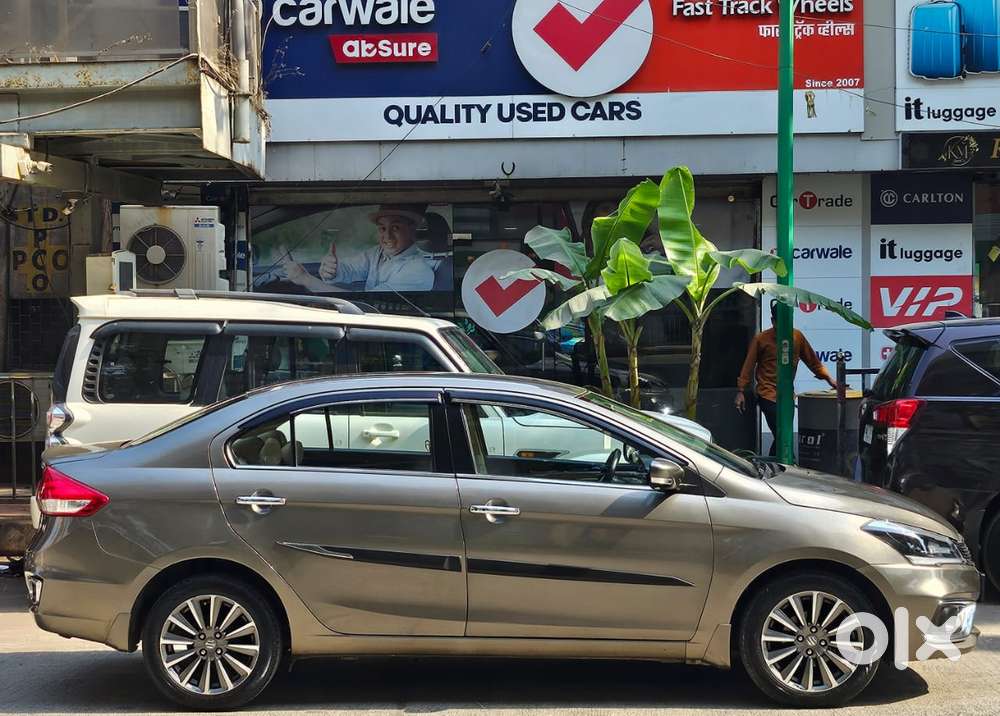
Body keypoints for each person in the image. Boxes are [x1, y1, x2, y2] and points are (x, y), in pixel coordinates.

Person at [736, 301, 840, 456]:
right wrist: (741, 391)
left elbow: (813, 362)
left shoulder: (797, 337)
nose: (784, 328)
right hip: (767, 394)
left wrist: (829, 379)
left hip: (787, 396)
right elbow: (748, 366)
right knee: (782, 434)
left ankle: (776, 467)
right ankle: (785, 466)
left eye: (788, 322)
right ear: (773, 321)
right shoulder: (761, 339)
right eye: (780, 323)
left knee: (783, 436)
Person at [284, 204, 435, 292]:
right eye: (382, 228)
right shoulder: (377, 253)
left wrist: (307, 280)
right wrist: (332, 270)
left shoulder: (418, 271)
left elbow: (366, 305)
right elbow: (351, 268)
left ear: (412, 230)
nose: (387, 236)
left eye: (395, 228)